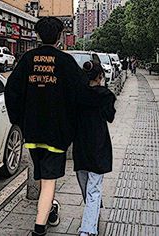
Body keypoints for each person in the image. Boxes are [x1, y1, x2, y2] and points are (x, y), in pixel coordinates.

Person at [5, 17, 98, 236]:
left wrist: (18, 120)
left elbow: (11, 91)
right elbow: (82, 93)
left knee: (44, 177)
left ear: (38, 36)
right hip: (57, 134)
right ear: (59, 37)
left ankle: (51, 211)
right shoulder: (65, 62)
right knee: (48, 181)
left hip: (32, 132)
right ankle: (39, 228)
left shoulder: (27, 59)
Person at [73, 61, 116, 236]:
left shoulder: (76, 94)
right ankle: (88, 230)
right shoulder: (106, 95)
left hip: (80, 146)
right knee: (94, 189)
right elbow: (110, 117)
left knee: (86, 186)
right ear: (100, 77)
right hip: (98, 146)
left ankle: (92, 215)